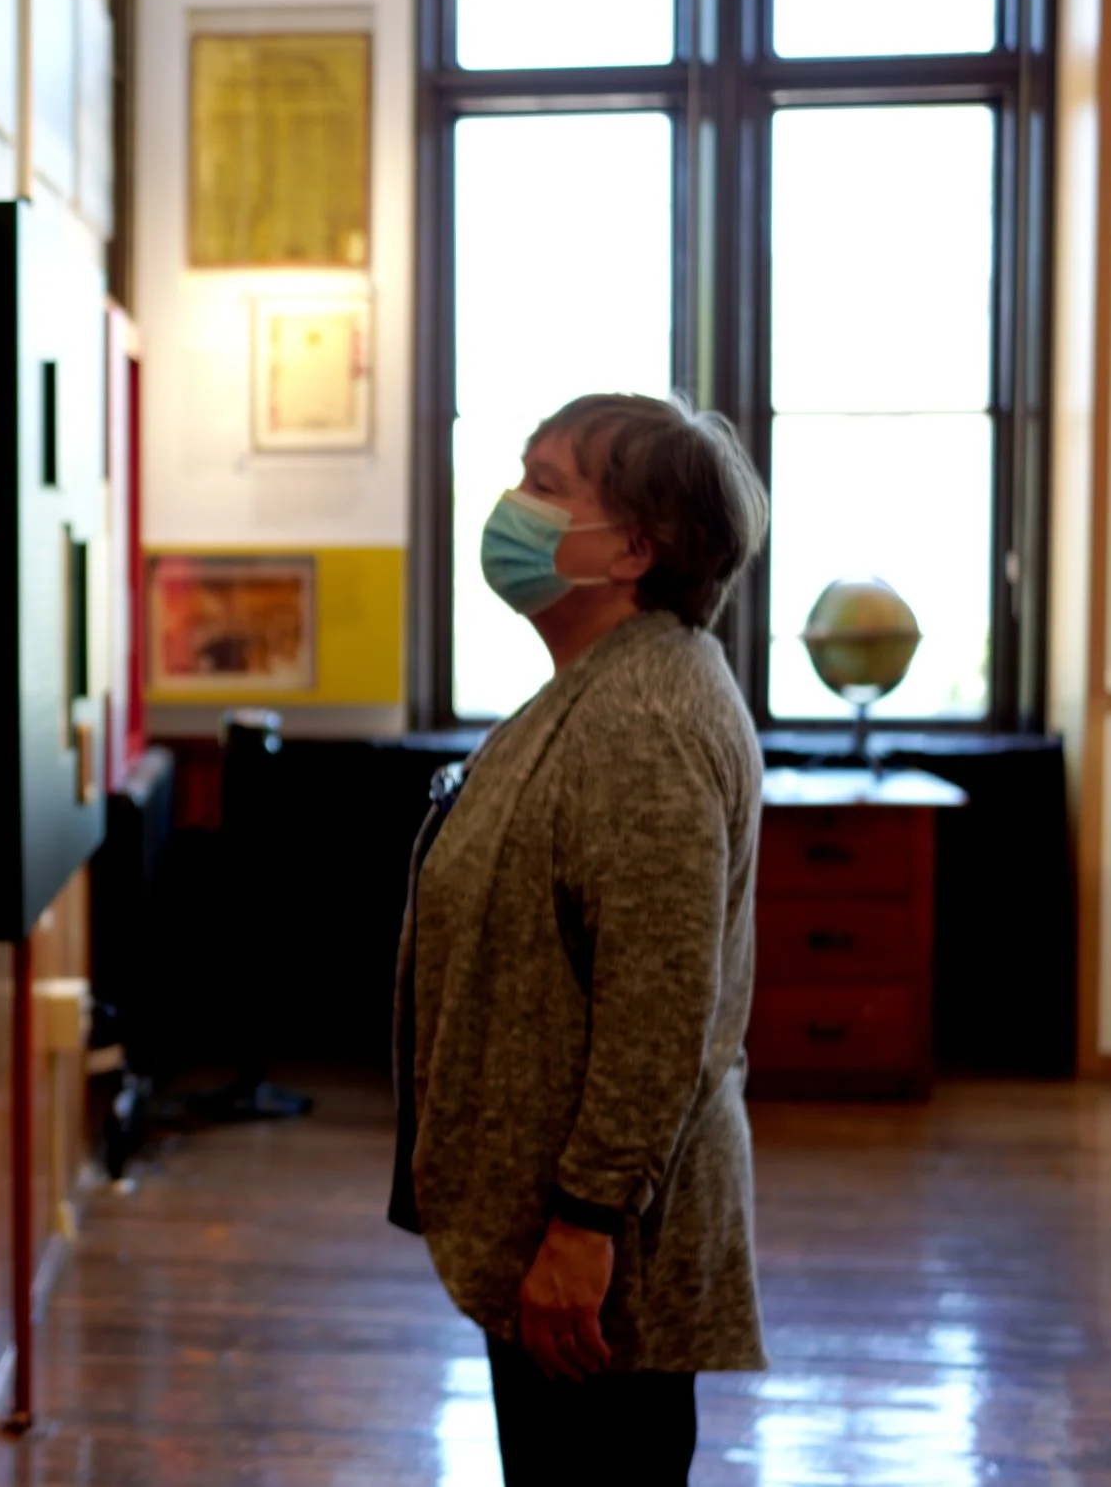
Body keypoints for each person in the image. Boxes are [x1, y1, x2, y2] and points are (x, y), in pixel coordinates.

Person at [390, 392, 771, 1485]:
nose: (513, 506)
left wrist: (585, 1224)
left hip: (603, 1260)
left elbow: (656, 1008)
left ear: (636, 549)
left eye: (547, 486)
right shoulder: (596, 690)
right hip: (562, 1236)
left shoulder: (643, 720)